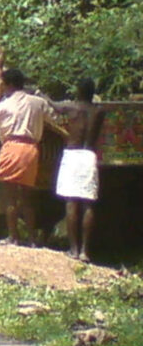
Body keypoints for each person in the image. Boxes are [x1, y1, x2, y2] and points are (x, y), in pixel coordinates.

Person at [0, 69, 59, 246]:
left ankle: (14, 237)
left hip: (11, 148)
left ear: (7, 85)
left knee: (10, 198)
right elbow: (54, 118)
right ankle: (31, 239)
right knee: (27, 197)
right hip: (31, 150)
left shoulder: (4, 105)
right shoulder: (38, 103)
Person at [49, 78, 105, 262]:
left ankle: (73, 250)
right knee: (88, 203)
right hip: (89, 156)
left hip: (73, 155)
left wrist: (42, 95)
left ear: (79, 91)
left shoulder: (72, 107)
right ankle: (85, 251)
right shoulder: (99, 111)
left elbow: (54, 106)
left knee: (71, 203)